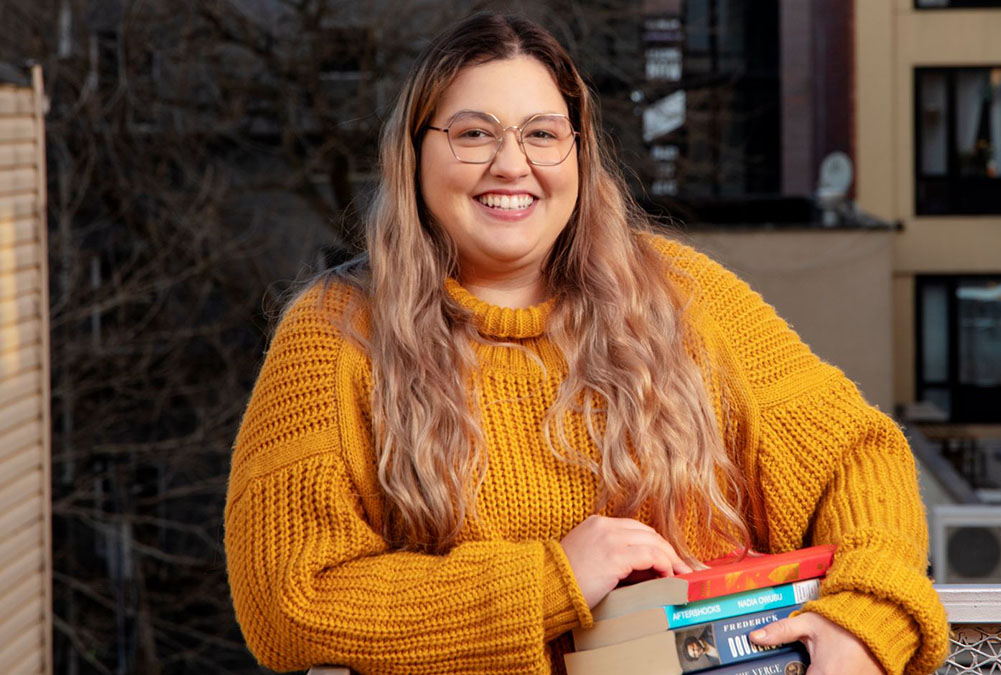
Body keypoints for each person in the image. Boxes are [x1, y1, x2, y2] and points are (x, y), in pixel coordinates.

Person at [223, 12, 949, 675]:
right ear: (415, 155)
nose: (513, 164)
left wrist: (865, 618)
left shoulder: (685, 298)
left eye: (542, 133)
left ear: (578, 153)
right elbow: (291, 599)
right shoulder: (336, 334)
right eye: (474, 133)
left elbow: (860, 460)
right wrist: (551, 578)